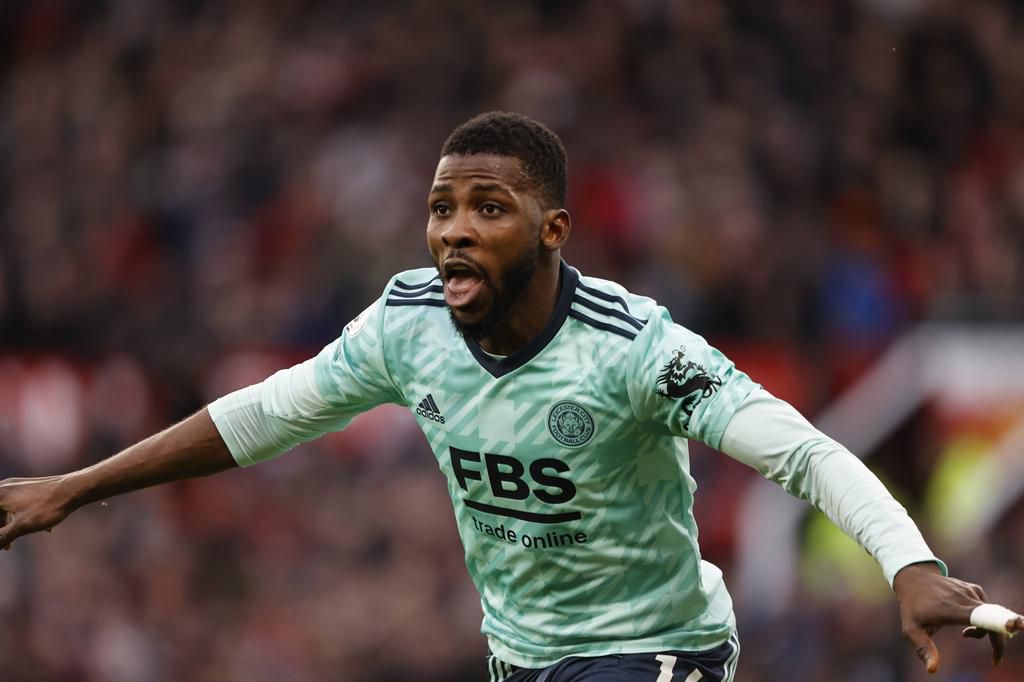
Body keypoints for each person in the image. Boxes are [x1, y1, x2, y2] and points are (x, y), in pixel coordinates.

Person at [0, 111, 1019, 681]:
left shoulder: (635, 348)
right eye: (441, 207)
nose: (452, 229)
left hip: (655, 650)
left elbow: (801, 449)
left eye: (489, 208)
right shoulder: (406, 325)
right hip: (521, 660)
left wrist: (910, 563)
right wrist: (74, 487)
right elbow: (263, 414)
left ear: (553, 230)